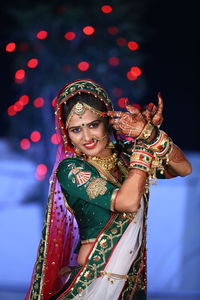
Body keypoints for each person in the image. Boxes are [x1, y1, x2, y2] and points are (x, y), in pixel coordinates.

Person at [25, 79, 192, 300]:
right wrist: (143, 143)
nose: (87, 137)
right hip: (95, 282)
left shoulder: (125, 156)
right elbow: (127, 202)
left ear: (108, 121)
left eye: (93, 125)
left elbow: (183, 168)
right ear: (67, 135)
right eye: (76, 130)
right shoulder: (72, 169)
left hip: (130, 284)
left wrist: (150, 134)